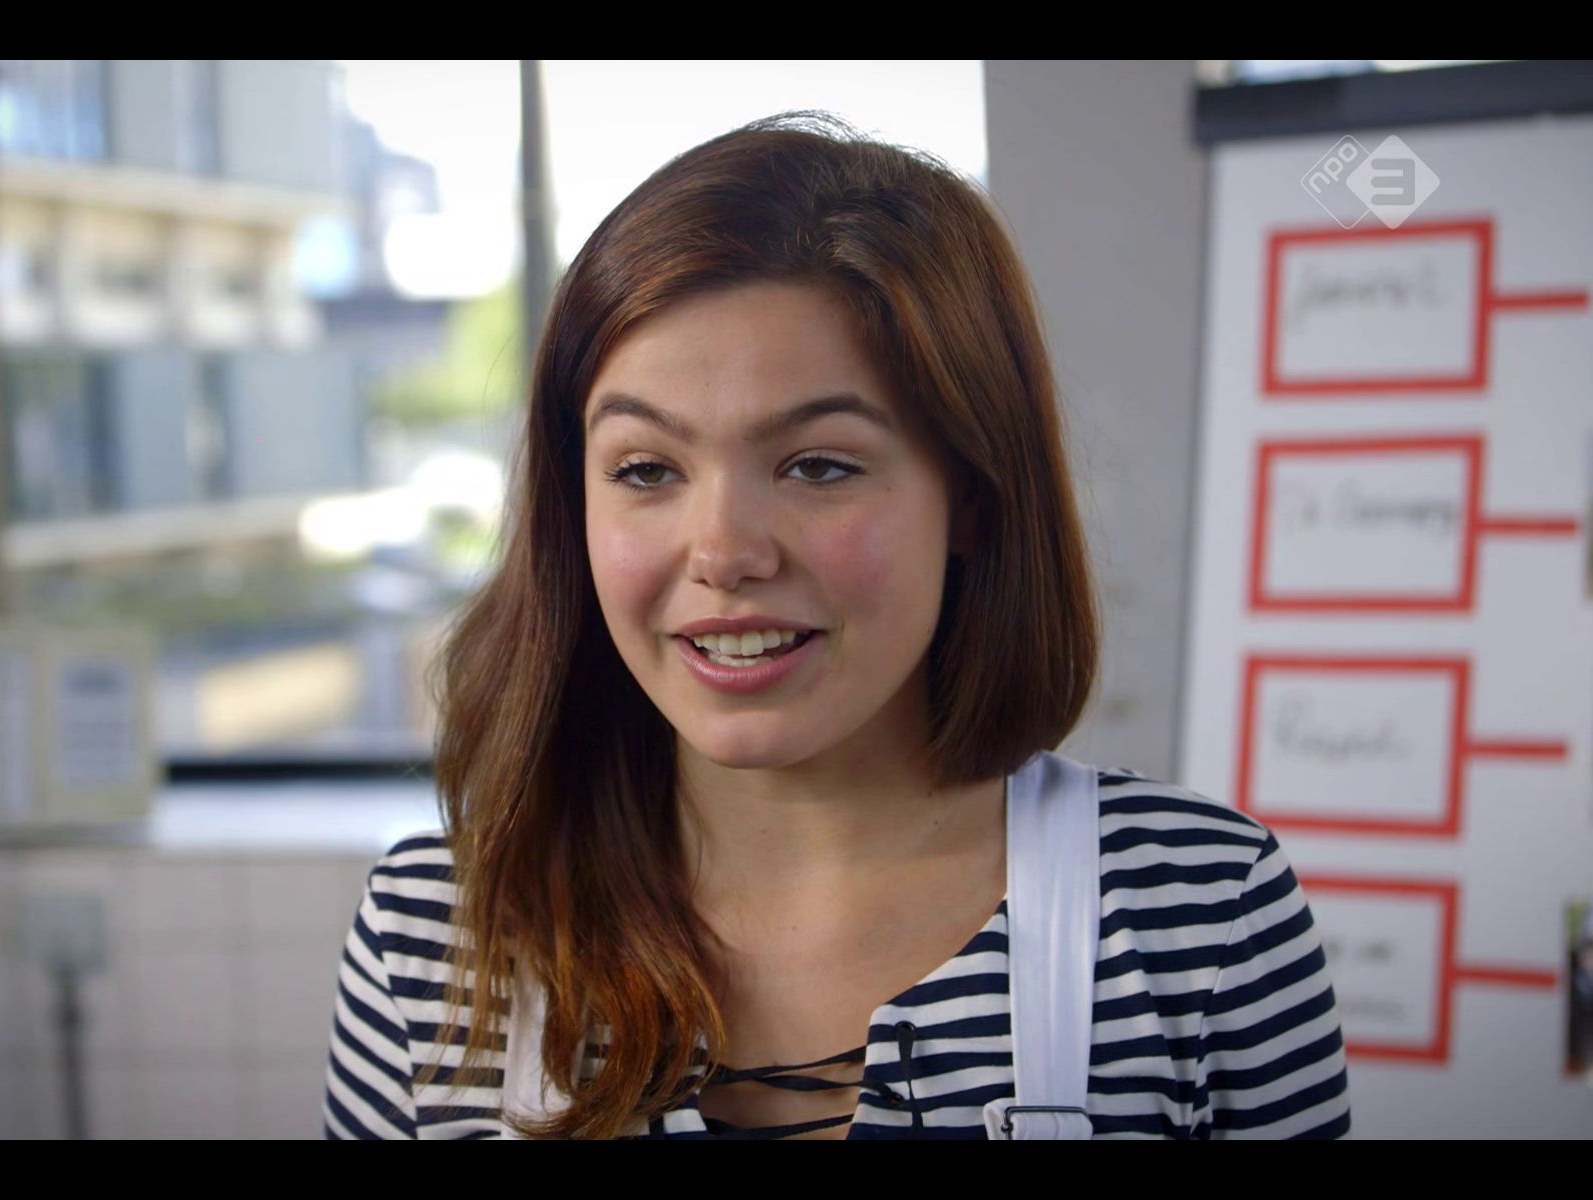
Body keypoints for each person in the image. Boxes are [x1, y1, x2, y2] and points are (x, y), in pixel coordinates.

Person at [321, 110, 1352, 1140]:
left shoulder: (1199, 917)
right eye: (645, 469)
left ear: (974, 494)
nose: (724, 553)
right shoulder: (434, 939)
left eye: (818, 465)